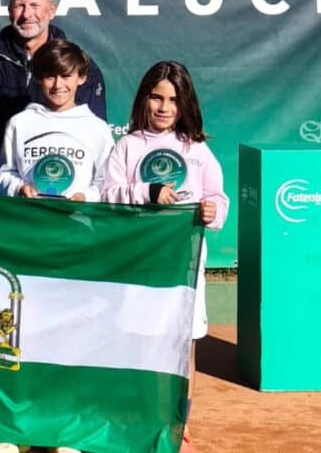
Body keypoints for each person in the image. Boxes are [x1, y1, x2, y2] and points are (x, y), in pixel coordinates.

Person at [100, 61, 230, 453]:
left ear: (184, 104)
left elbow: (218, 199)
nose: (163, 107)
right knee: (137, 341)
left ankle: (179, 426)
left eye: (173, 100)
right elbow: (107, 196)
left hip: (184, 269)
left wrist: (213, 212)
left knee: (182, 347)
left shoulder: (198, 150)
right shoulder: (127, 145)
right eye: (156, 97)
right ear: (144, 99)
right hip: (138, 267)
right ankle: (135, 423)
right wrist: (145, 191)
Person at [0, 0, 107, 154]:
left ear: (51, 10)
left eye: (34, 5)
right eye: (19, 6)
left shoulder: (79, 65)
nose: (27, 14)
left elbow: (94, 137)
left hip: (62, 176)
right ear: (9, 11)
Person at [0, 39, 114, 203]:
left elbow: (105, 183)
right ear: (38, 78)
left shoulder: (97, 128)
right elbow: (5, 173)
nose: (58, 85)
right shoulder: (19, 123)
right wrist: (18, 188)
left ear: (81, 78)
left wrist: (85, 197)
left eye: (66, 76)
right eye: (50, 77)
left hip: (76, 222)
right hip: (29, 220)